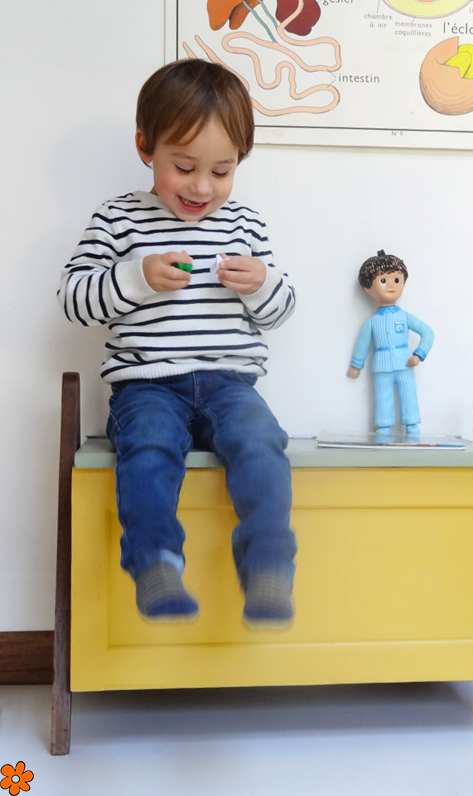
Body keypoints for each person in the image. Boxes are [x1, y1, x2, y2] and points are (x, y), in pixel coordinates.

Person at [58, 59, 297, 629]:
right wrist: (134, 278)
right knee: (147, 448)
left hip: (230, 383)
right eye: (184, 167)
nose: (201, 187)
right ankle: (155, 562)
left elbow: (281, 311)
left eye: (222, 170)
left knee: (262, 443)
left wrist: (262, 284)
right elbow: (73, 300)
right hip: (147, 385)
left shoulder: (245, 224)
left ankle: (269, 563)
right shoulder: (118, 219)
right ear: (146, 147)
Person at [347, 250, 434, 435]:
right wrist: (356, 365)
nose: (391, 286)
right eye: (383, 281)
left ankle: (412, 424)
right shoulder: (372, 322)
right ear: (368, 288)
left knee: (408, 395)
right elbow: (363, 343)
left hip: (405, 363)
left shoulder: (405, 317)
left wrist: (418, 354)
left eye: (396, 280)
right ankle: (383, 426)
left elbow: (428, 333)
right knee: (382, 396)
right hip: (381, 366)